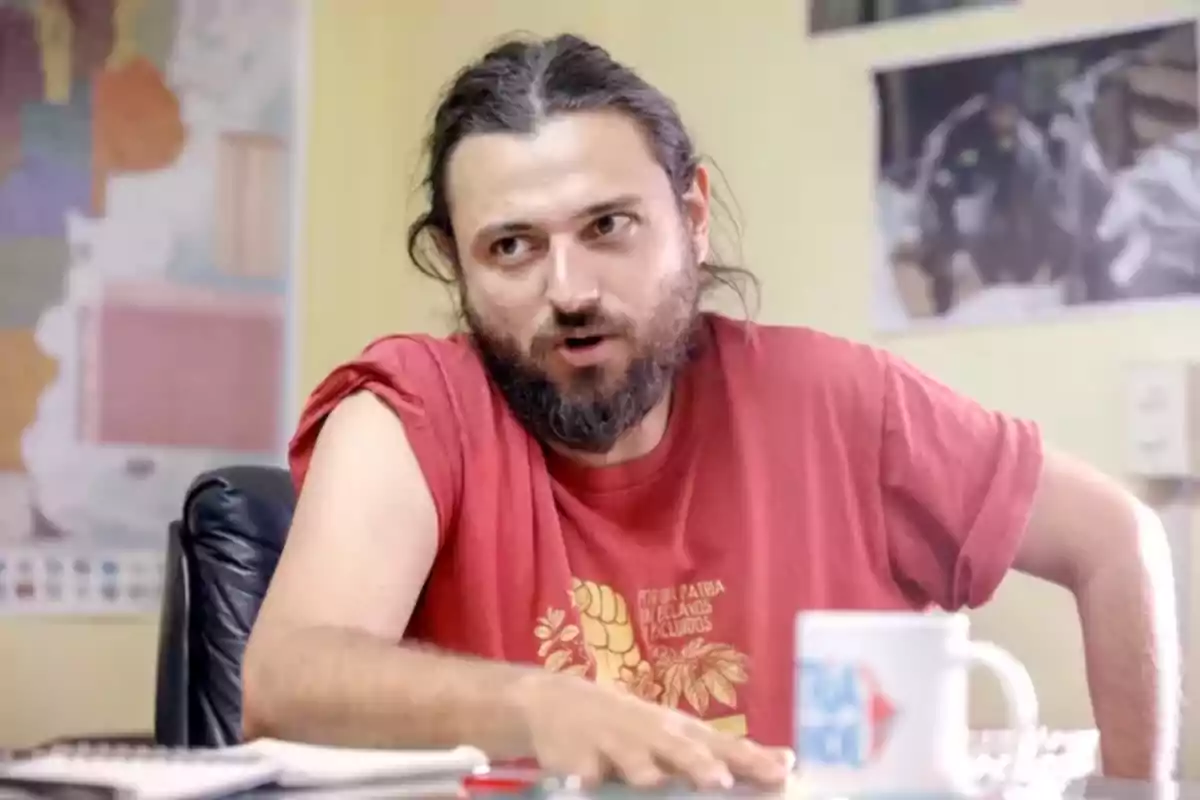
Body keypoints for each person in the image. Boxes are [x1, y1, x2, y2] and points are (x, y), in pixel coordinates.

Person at [242, 33, 1179, 790]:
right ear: (457, 263)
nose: (568, 290)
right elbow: (282, 683)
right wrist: (541, 708)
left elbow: (1115, 540)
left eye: (607, 227)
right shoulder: (412, 412)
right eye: (512, 247)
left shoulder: (843, 403)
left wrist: (1137, 789)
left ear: (690, 217)